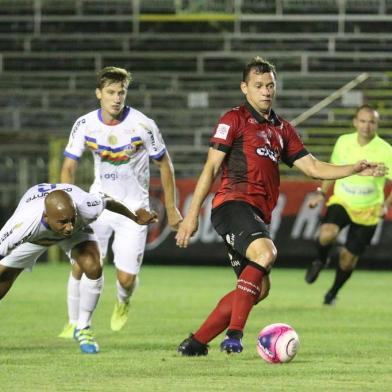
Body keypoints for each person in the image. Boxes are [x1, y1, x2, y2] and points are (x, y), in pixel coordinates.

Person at [174, 57, 387, 356]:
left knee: (259, 289)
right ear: (244, 88)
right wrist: (190, 216)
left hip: (256, 214)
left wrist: (353, 168)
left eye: (270, 85)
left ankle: (195, 344)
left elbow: (312, 167)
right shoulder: (232, 120)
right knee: (266, 252)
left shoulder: (282, 129)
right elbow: (210, 168)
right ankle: (234, 335)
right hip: (232, 205)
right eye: (259, 85)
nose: (266, 91)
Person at [59, 66, 182, 337]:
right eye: (111, 92)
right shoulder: (85, 124)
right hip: (99, 206)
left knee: (125, 279)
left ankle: (123, 301)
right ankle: (72, 322)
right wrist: (69, 202)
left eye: (121, 92)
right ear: (99, 94)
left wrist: (171, 208)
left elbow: (165, 164)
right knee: (82, 263)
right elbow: (68, 166)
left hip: (134, 211)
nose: (116, 98)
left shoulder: (142, 125)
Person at [0, 183, 157, 354]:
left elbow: (108, 201)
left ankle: (83, 328)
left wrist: (134, 216)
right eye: (63, 222)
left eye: (71, 219)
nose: (69, 226)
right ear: (46, 216)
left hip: (76, 235)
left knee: (93, 265)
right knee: (3, 277)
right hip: (36, 238)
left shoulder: (86, 206)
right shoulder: (21, 225)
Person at [304, 105, 392, 304]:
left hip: (369, 210)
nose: (366, 126)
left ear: (377, 124)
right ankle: (321, 259)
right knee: (326, 234)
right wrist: (320, 193)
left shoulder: (386, 150)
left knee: (347, 259)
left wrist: (385, 204)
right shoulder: (343, 142)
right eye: (362, 121)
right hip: (342, 200)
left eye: (371, 122)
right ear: (355, 122)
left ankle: (333, 292)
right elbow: (332, 170)